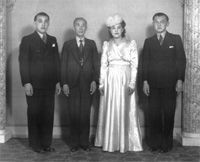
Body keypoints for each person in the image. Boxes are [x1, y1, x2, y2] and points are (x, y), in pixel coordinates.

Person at [94, 14, 143, 153]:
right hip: (110, 79)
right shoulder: (106, 44)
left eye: (119, 28)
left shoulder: (130, 44)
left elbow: (134, 65)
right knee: (110, 107)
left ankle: (124, 142)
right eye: (113, 28)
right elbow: (103, 65)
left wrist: (132, 83)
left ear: (123, 29)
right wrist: (101, 83)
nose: (116, 30)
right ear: (110, 30)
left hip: (124, 78)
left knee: (124, 107)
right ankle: (110, 141)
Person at [142, 12, 186, 153]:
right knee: (153, 114)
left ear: (168, 23)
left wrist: (180, 80)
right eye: (156, 21)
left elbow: (181, 61)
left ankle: (166, 144)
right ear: (153, 23)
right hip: (152, 84)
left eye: (162, 21)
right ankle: (155, 143)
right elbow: (145, 63)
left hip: (170, 85)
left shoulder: (175, 39)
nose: (159, 24)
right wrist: (144, 81)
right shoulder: (148, 41)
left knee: (168, 114)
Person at [19, 12, 61, 153]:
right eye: (40, 21)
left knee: (48, 115)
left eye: (46, 21)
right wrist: (26, 83)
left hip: (50, 84)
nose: (43, 24)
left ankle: (46, 144)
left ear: (48, 23)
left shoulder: (53, 40)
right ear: (35, 23)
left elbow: (57, 63)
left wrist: (57, 82)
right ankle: (36, 145)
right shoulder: (27, 40)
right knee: (35, 114)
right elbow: (23, 63)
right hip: (34, 85)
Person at [60, 17, 99, 152]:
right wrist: (64, 83)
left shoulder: (91, 44)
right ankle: (74, 143)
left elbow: (96, 64)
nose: (80, 27)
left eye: (83, 25)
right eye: (78, 25)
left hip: (88, 83)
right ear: (74, 27)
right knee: (74, 113)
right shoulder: (67, 44)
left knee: (85, 113)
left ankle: (84, 143)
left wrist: (95, 80)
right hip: (72, 83)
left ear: (86, 27)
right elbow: (63, 65)